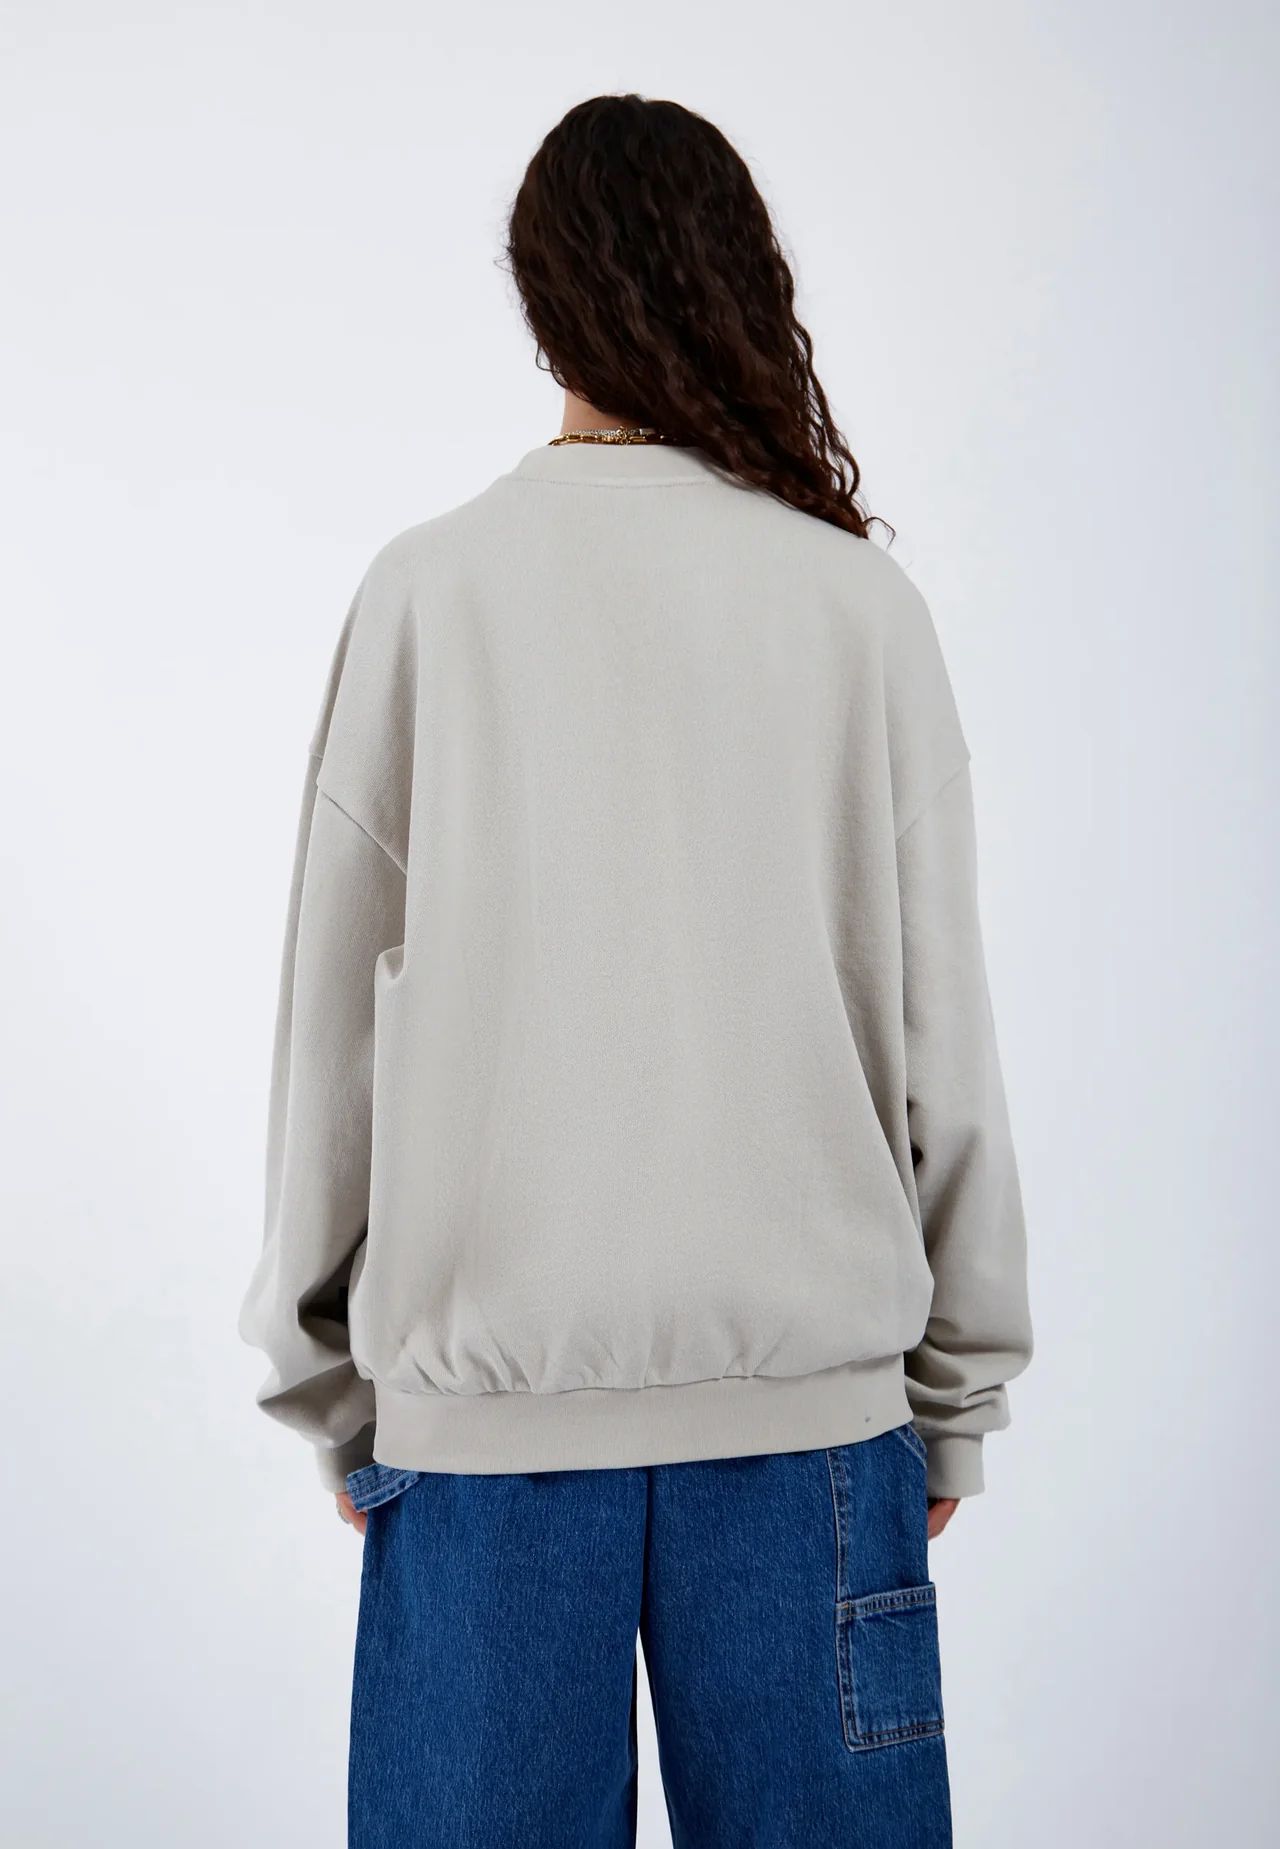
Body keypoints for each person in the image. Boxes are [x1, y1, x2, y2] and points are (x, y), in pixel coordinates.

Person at [239, 92, 1032, 1849]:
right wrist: (953, 1403)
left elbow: (329, 1043)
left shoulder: (430, 594)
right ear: (740, 280)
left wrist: (334, 1380)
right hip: (814, 1443)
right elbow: (946, 1043)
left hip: (487, 1450)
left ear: (541, 303)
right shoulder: (858, 610)